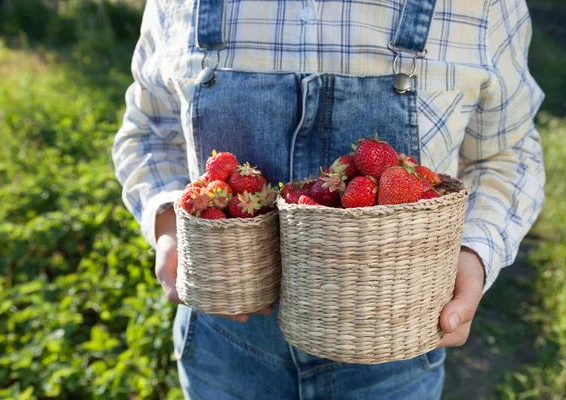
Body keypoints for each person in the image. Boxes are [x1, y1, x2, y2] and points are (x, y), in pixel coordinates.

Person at [112, 0, 545, 398]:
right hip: (225, 347)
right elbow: (150, 132)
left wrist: (475, 252)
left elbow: (505, 153)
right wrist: (169, 226)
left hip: (394, 350)